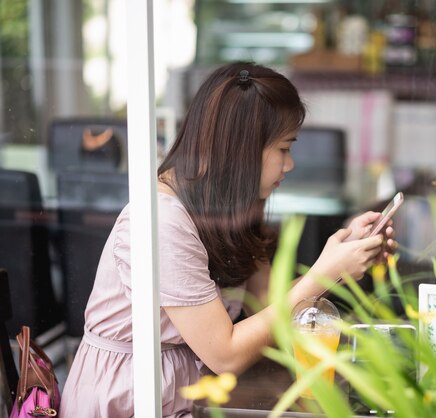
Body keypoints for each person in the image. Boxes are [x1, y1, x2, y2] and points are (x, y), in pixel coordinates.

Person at [59, 62, 395, 417]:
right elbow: (227, 354)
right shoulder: (164, 220)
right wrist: (325, 273)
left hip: (185, 394)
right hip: (128, 398)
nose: (290, 164)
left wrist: (341, 262)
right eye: (284, 148)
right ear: (242, 148)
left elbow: (267, 303)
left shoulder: (229, 206)